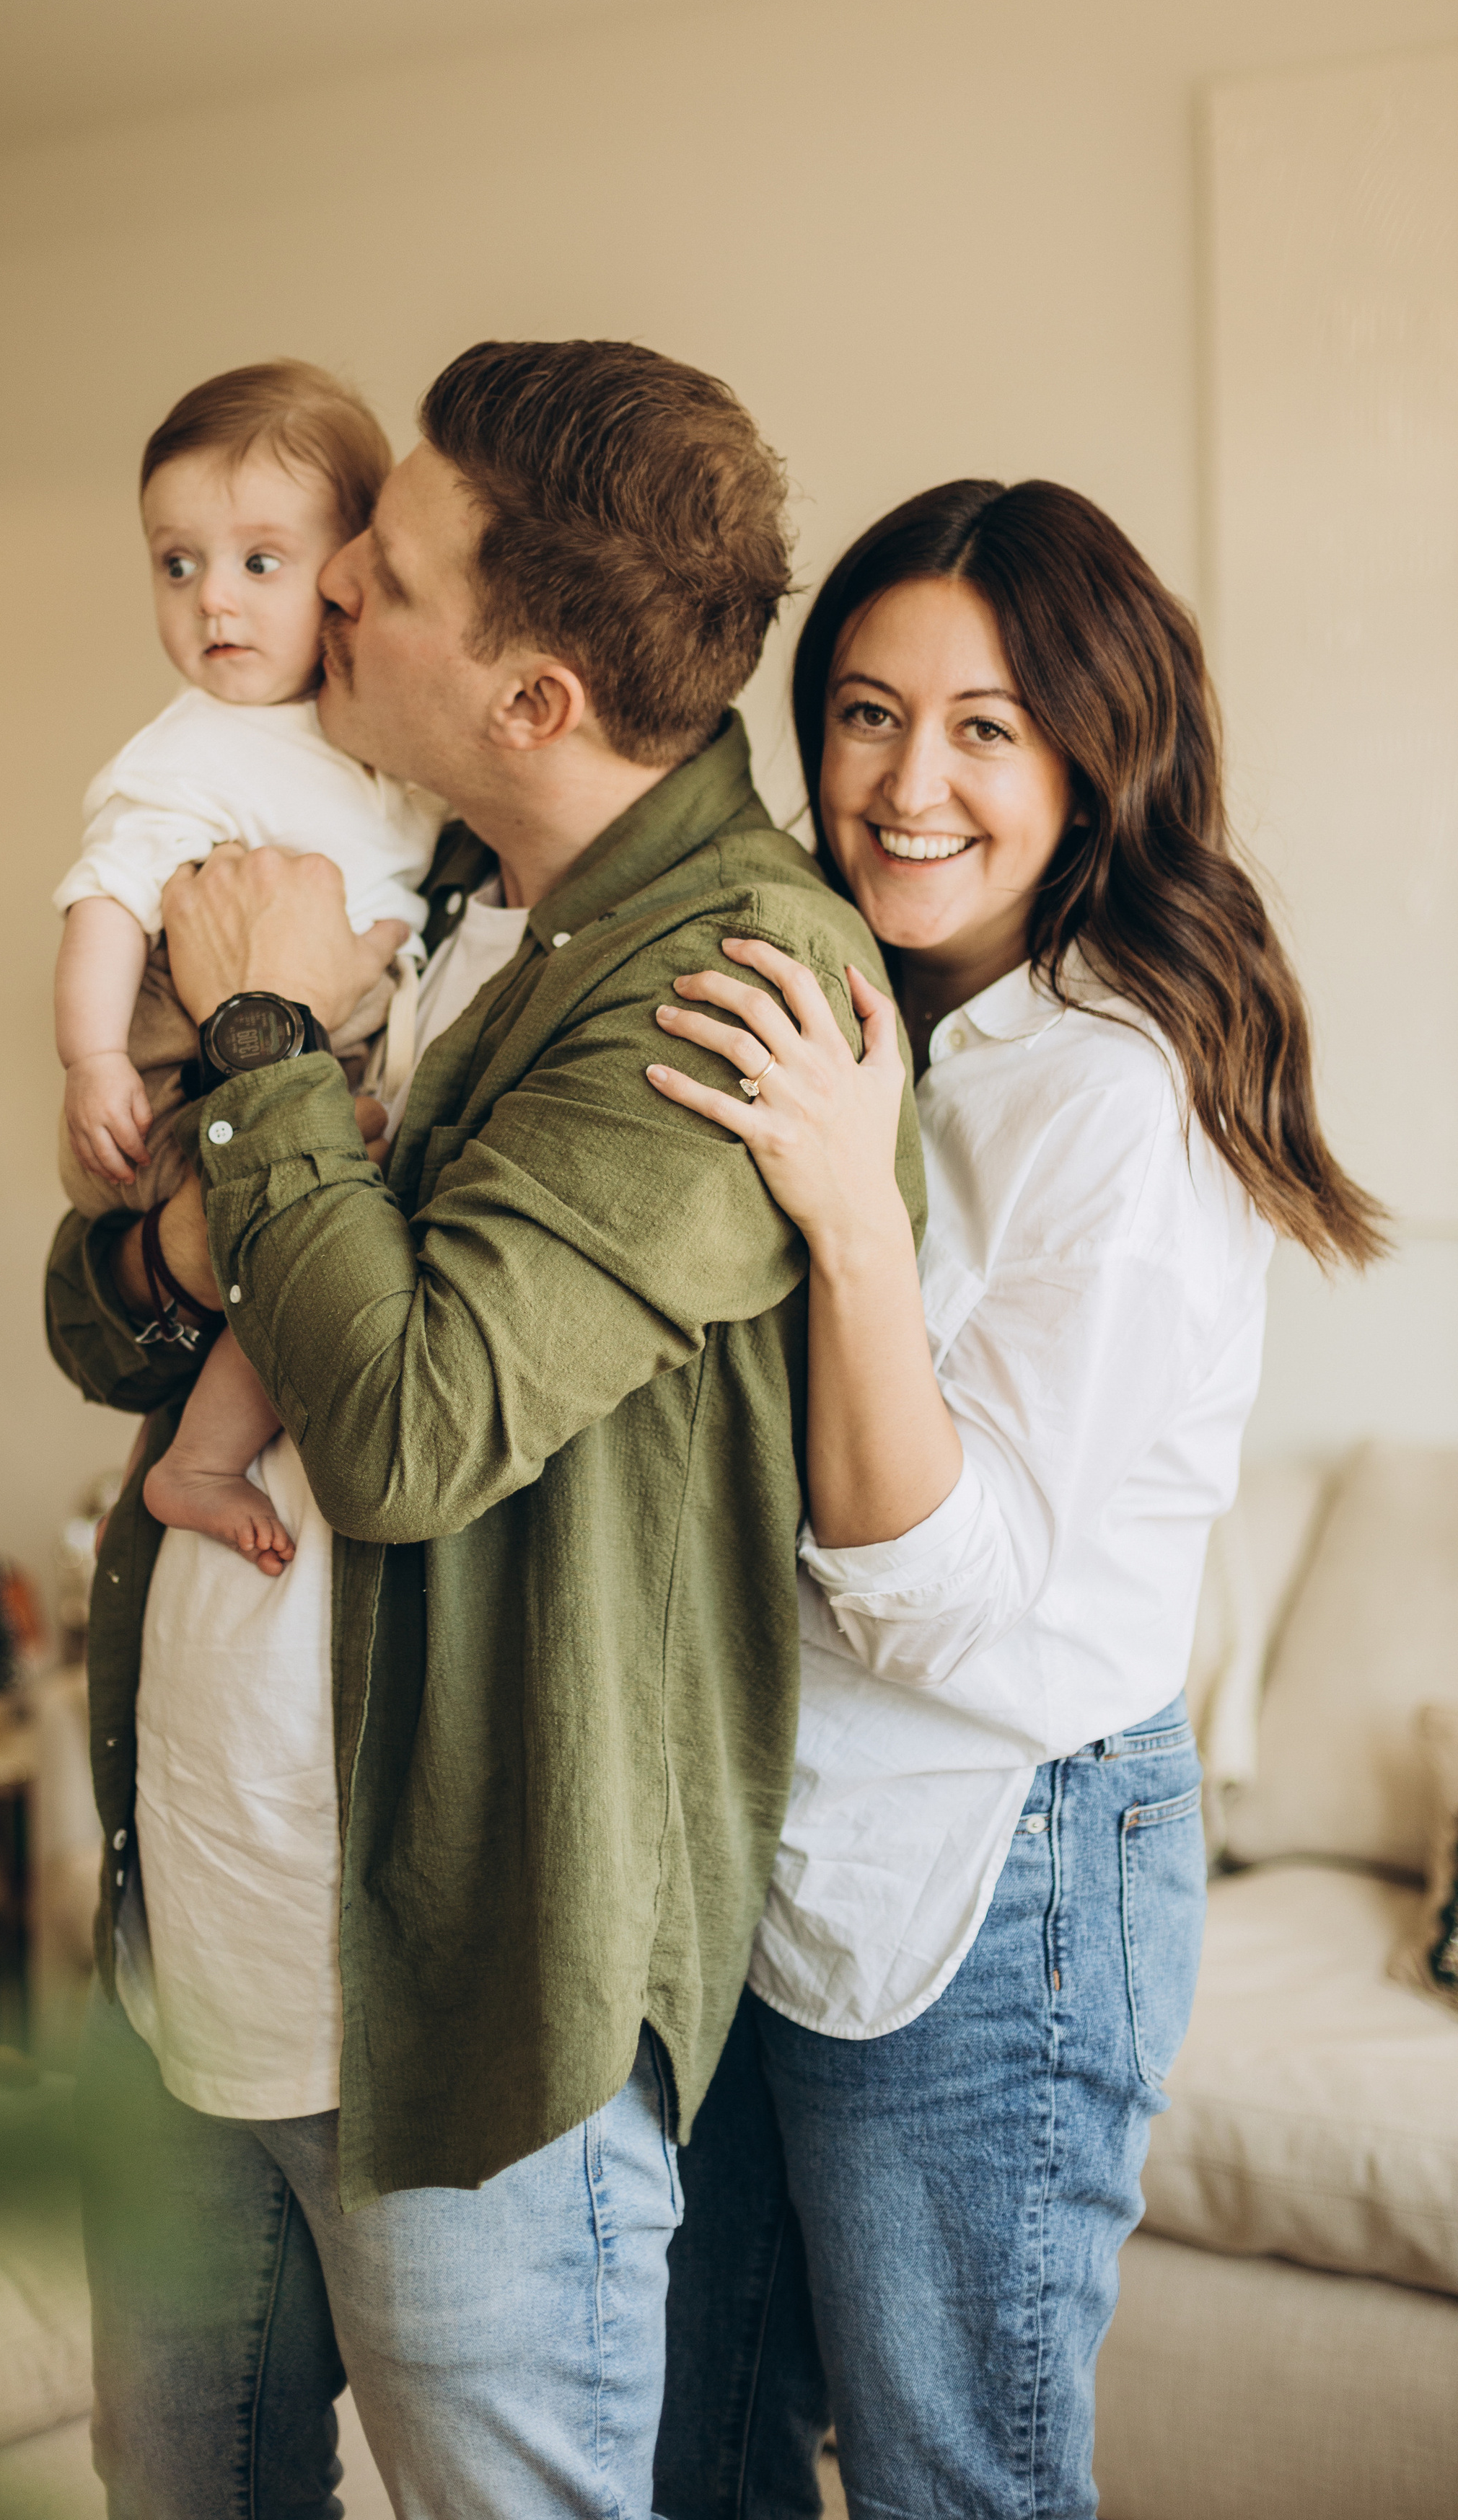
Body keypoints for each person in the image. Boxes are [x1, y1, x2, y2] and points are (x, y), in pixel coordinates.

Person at [43, 339, 927, 2520]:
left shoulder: (732, 983)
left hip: (452, 2022)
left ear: (534, 696)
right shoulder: (412, 868)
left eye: (391, 574)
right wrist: (175, 1238)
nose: (328, 580)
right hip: (200, 1971)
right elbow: (102, 1301)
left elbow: (422, 1424)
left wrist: (254, 1042)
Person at [648, 478, 1383, 2520]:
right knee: (686, 2462)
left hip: (1004, 1858)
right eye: (867, 712)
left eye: (986, 725)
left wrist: (846, 1219)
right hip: (779, 1840)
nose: (907, 782)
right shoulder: (866, 1000)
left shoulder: (1116, 1095)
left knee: (953, 2485)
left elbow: (951, 1605)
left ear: (1094, 748)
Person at [52, 361, 441, 1569]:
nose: (213, 600)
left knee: (329, 1238)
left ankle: (198, 1456)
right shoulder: (189, 755)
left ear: (350, 574)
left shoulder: (374, 743)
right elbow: (106, 901)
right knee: (284, 1235)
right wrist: (92, 1054)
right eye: (179, 564)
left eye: (258, 563)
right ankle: (199, 1462)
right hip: (197, 1078)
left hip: (325, 1055)